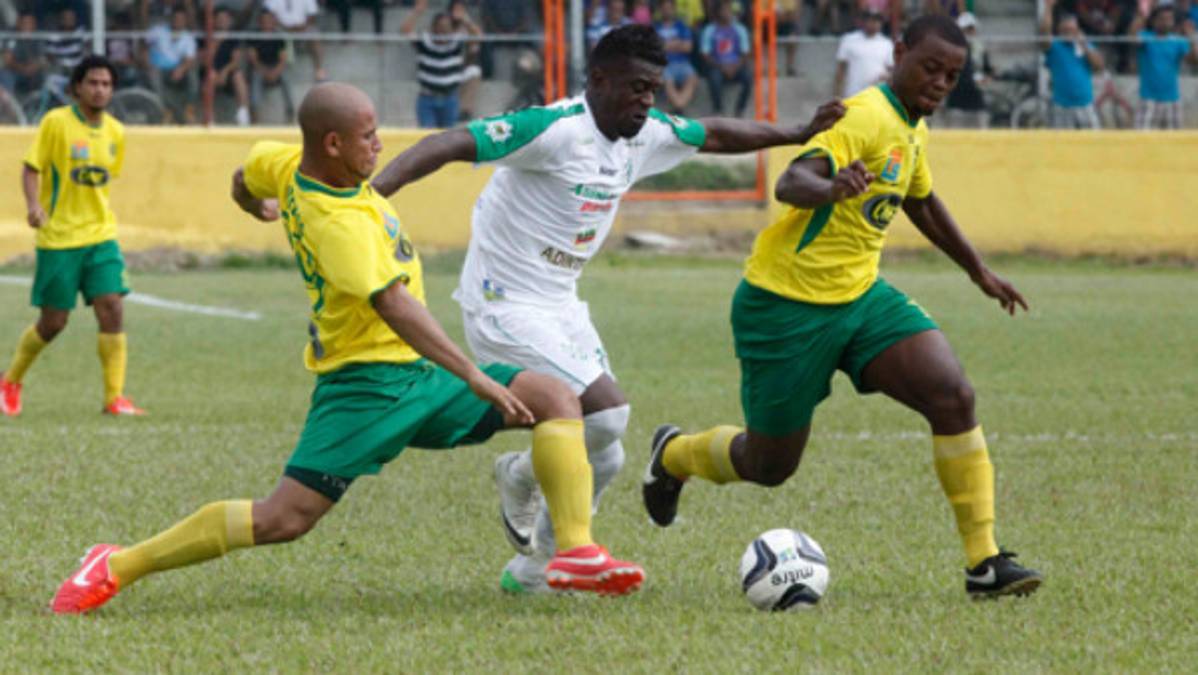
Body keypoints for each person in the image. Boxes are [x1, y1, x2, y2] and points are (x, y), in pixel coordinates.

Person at [48, 81, 647, 615]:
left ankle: (573, 551)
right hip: (365, 387)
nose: (380, 146)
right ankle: (115, 563)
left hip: (415, 373)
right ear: (331, 144)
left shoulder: (285, 163)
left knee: (554, 395)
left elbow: (244, 176)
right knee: (281, 520)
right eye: (368, 137)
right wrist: (475, 375)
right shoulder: (337, 224)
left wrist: (254, 207)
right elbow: (394, 307)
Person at [368, 25, 844, 594]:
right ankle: (532, 490)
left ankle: (533, 565)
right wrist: (366, 201)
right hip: (504, 303)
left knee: (610, 455)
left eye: (654, 89)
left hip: (561, 303)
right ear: (598, 79)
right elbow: (447, 143)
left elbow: (713, 133)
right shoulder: (552, 130)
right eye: (636, 87)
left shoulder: (642, 134)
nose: (647, 100)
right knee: (608, 414)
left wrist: (795, 132)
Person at [640, 15, 1044, 600]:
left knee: (952, 394)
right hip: (784, 307)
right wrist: (831, 189)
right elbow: (791, 181)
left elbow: (920, 200)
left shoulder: (910, 126)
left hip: (860, 298)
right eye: (929, 67)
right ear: (898, 52)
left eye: (951, 76)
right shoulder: (865, 115)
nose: (938, 83)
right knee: (769, 464)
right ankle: (674, 454)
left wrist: (978, 270)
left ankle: (984, 564)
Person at [1, 56, 144, 418]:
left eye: (106, 84)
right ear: (78, 87)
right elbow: (31, 169)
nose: (100, 90)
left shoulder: (116, 132)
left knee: (112, 306)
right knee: (54, 323)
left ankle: (115, 398)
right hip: (59, 239)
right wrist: (34, 206)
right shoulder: (56, 123)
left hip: (101, 234)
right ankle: (10, 381)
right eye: (93, 83)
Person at [401, 0, 480, 129]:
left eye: (447, 27)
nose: (444, 30)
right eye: (440, 27)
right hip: (427, 98)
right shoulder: (425, 42)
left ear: (451, 29)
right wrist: (417, 12)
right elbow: (405, 30)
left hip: (450, 99)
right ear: (434, 28)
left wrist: (464, 18)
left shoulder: (456, 42)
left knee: (447, 140)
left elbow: (478, 35)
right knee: (427, 138)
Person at [1129, 3, 1198, 129]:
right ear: (1154, 21)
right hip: (1148, 99)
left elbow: (1194, 61)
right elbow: (1132, 37)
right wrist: (1142, 15)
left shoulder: (1178, 41)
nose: (1165, 22)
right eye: (1162, 19)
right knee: (1140, 142)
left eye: (1169, 19)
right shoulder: (1146, 37)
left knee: (1174, 143)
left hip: (1172, 99)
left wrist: (1192, 39)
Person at [1041, 0, 1104, 129]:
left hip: (1085, 104)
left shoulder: (1084, 45)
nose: (1069, 32)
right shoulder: (1055, 46)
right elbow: (1044, 33)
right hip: (1062, 106)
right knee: (1062, 146)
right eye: (1065, 29)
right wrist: (1048, 8)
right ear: (1059, 30)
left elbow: (1099, 66)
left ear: (1077, 30)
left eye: (1072, 29)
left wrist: (1084, 45)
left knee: (1093, 144)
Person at [147, 6, 198, 124]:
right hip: (157, 68)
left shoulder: (188, 37)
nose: (178, 21)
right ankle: (165, 111)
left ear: (185, 21)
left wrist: (181, 69)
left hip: (177, 70)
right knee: (154, 75)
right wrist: (147, 62)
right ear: (170, 19)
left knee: (192, 73)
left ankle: (188, 109)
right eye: (176, 18)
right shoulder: (158, 31)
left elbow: (190, 59)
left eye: (181, 19)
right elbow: (143, 45)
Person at [701, 0, 752, 116]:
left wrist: (735, 66)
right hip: (717, 66)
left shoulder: (740, 29)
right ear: (718, 12)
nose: (728, 13)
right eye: (725, 9)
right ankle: (718, 109)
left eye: (730, 10)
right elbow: (705, 54)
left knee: (749, 77)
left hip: (736, 65)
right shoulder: (710, 30)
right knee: (714, 78)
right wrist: (721, 67)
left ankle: (740, 109)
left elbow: (745, 53)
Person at [943, 12, 992, 128]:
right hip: (956, 100)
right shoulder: (952, 49)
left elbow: (987, 69)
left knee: (982, 128)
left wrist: (986, 78)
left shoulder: (980, 48)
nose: (968, 33)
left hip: (976, 99)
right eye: (965, 29)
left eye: (971, 29)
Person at [206, 5, 251, 126]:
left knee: (238, 76)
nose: (222, 21)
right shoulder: (208, 36)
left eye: (225, 19)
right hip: (211, 72)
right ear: (214, 21)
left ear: (230, 20)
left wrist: (225, 72)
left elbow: (236, 60)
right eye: (219, 19)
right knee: (210, 76)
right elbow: (206, 60)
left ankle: (243, 115)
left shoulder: (234, 38)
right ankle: (210, 118)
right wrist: (217, 42)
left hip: (228, 73)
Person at [247, 10, 294, 123]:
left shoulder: (279, 37)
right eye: (264, 20)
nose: (267, 22)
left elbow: (283, 59)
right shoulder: (253, 36)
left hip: (275, 67)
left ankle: (290, 111)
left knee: (286, 77)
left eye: (269, 20)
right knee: (255, 76)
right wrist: (264, 71)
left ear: (273, 22)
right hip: (259, 67)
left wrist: (275, 72)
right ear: (259, 22)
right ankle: (254, 114)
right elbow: (252, 58)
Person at [834, 9, 893, 98]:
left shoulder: (886, 43)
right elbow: (841, 69)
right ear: (863, 22)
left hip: (877, 95)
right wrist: (837, 94)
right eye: (871, 20)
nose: (874, 24)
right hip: (853, 93)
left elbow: (891, 70)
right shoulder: (849, 40)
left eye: (877, 21)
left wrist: (886, 76)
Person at [263, 0, 325, 81]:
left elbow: (312, 15)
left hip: (302, 28)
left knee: (314, 35)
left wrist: (303, 26)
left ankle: (319, 69)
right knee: (267, 32)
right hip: (279, 28)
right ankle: (271, 69)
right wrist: (285, 27)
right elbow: (268, 15)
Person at [655, 0, 700, 113]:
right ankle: (680, 107)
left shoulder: (681, 25)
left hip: (683, 63)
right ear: (660, 10)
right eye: (664, 8)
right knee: (667, 79)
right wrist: (677, 43)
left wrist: (665, 44)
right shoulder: (655, 27)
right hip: (664, 64)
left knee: (693, 77)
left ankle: (679, 106)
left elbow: (688, 47)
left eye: (669, 8)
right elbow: (655, 49)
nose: (667, 11)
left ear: (674, 10)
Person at [0, 12, 44, 98]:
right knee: (6, 75)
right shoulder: (12, 36)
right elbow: (7, 60)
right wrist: (23, 69)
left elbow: (43, 59)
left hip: (33, 72)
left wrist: (35, 66)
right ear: (19, 23)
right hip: (15, 71)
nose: (28, 26)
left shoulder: (39, 36)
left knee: (47, 76)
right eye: (25, 23)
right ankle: (10, 107)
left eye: (31, 23)